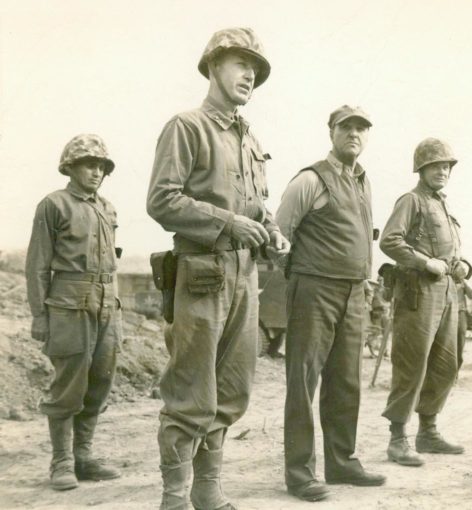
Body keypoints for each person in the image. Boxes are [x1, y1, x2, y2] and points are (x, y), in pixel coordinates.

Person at [146, 27, 289, 510]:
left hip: (245, 276)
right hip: (202, 273)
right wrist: (230, 223)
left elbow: (255, 205)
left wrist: (269, 227)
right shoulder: (187, 127)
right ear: (212, 66)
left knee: (231, 389)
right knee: (192, 389)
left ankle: (208, 493)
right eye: (239, 63)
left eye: (255, 68)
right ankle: (174, 499)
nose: (249, 74)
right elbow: (162, 200)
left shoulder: (249, 138)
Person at [276, 105, 386, 502]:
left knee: (346, 380)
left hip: (354, 291)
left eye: (361, 128)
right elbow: (279, 234)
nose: (353, 134)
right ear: (331, 133)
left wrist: (366, 284)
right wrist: (304, 278)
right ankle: (300, 473)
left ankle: (342, 462)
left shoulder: (363, 182)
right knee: (303, 381)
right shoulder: (310, 179)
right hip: (314, 289)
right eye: (346, 128)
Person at [25, 134, 122, 491]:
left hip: (108, 303)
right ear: (71, 166)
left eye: (101, 166)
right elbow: (37, 264)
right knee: (69, 384)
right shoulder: (54, 205)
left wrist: (113, 305)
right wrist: (40, 315)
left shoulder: (108, 208)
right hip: (69, 303)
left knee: (100, 380)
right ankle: (62, 462)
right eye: (88, 164)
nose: (96, 172)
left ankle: (84, 456)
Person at [379, 137, 472, 467]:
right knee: (412, 364)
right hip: (418, 293)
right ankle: (398, 439)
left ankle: (428, 432)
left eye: (447, 166)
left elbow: (451, 251)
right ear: (421, 169)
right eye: (436, 166)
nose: (442, 171)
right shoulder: (412, 200)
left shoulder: (442, 204)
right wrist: (423, 262)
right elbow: (389, 241)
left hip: (448, 292)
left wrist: (462, 266)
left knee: (447, 363)